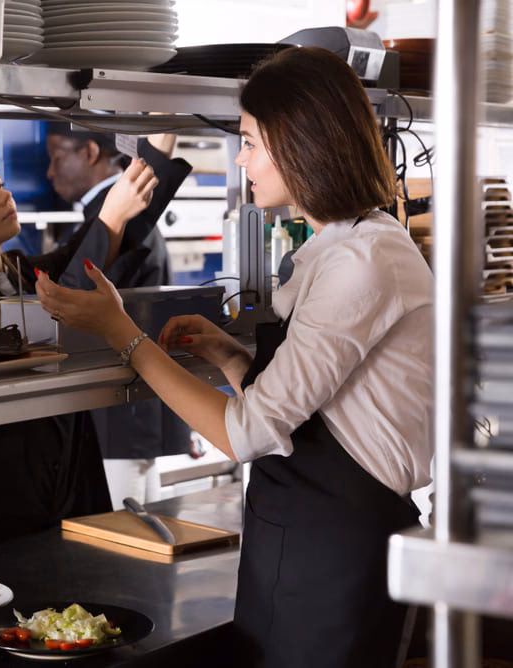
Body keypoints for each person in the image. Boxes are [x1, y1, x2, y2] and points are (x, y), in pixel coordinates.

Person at [34, 47, 433, 668]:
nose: (241, 158)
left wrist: (123, 335)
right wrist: (226, 355)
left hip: (335, 556)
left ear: (298, 141)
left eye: (248, 140)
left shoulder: (364, 260)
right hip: (297, 542)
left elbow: (248, 432)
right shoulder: (338, 247)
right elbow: (317, 411)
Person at [0, 148, 184, 551]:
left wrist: (158, 145)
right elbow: (48, 313)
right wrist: (110, 217)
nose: (5, 196)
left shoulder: (25, 271)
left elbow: (87, 252)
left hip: (71, 484)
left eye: (0, 184)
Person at [46, 124, 197, 508]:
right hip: (136, 414)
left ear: (90, 152)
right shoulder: (110, 219)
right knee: (145, 542)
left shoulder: (114, 220)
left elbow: (73, 296)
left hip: (118, 417)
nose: (49, 172)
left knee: (125, 545)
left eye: (56, 158)